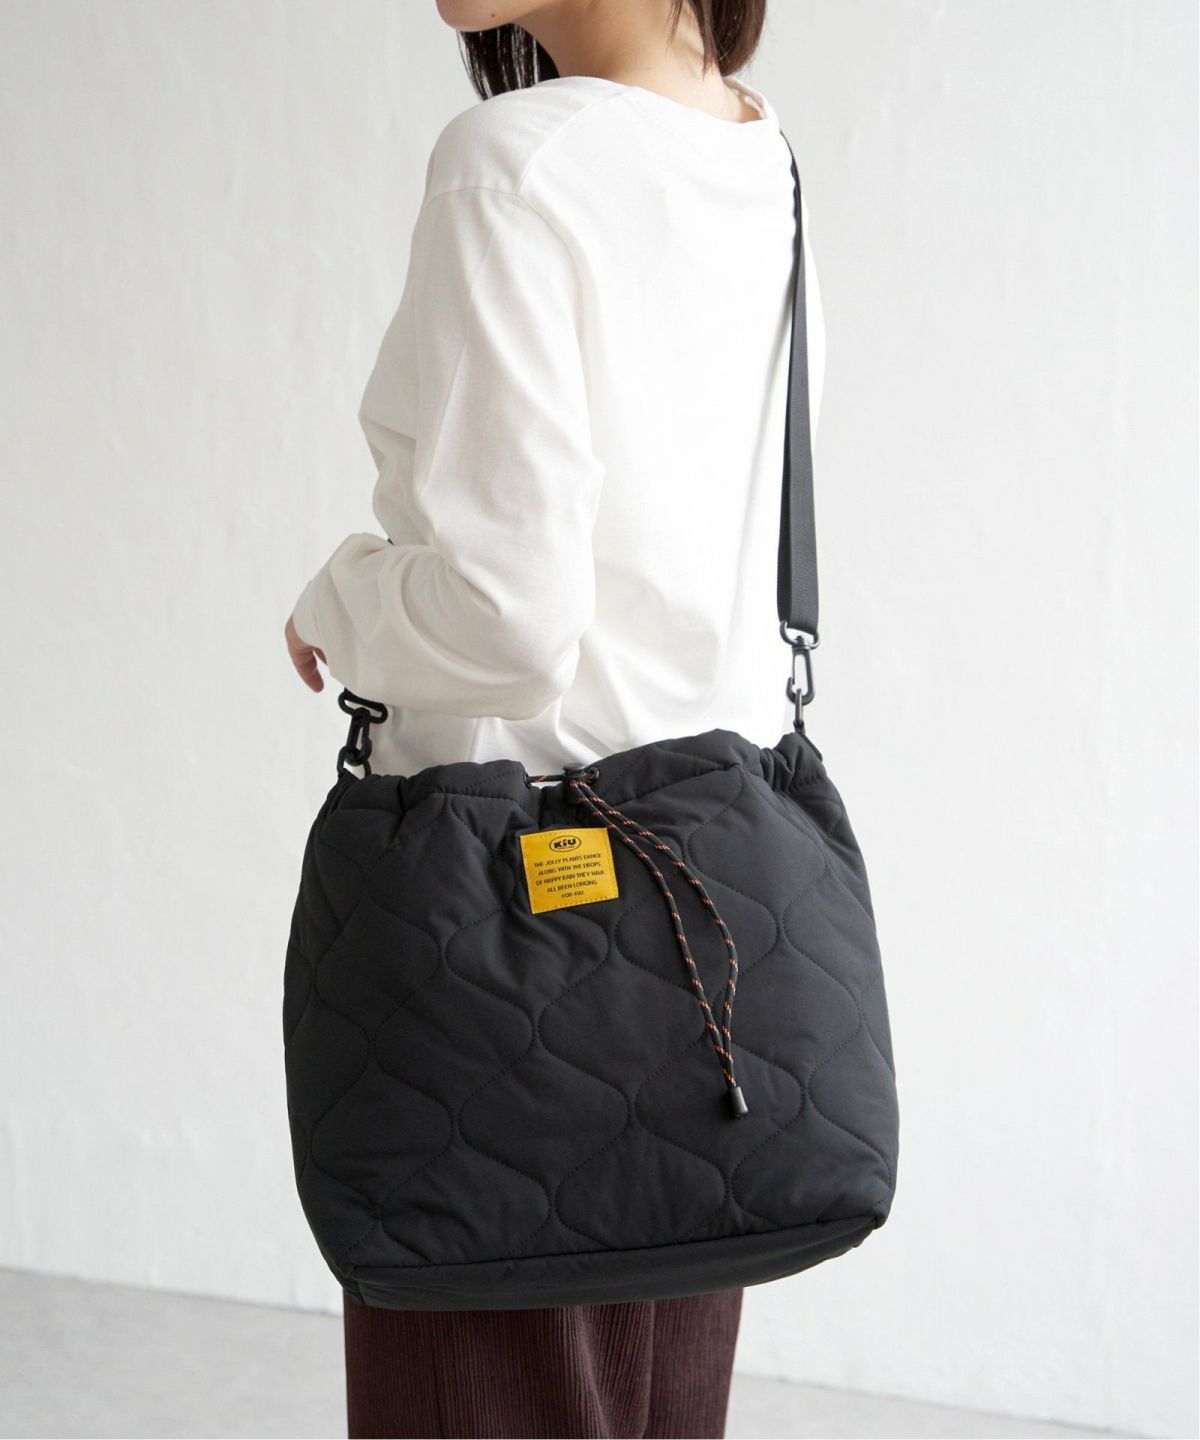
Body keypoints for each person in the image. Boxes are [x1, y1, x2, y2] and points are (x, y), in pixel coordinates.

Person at [284, 0, 825, 1434]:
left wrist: (341, 595)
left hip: (507, 954)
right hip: (708, 950)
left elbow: (508, 621)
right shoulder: (757, 157)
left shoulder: (511, 163)